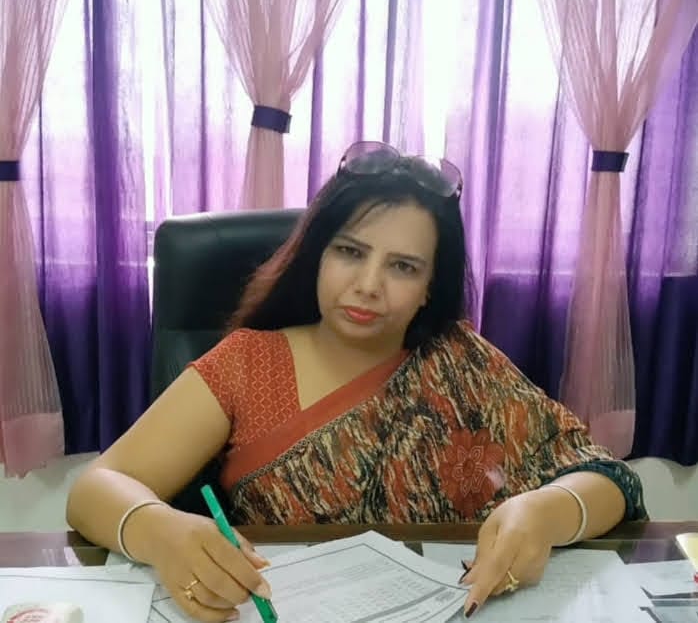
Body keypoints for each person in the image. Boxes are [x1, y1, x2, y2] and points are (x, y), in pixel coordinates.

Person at [67, 141, 646, 622]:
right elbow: (96, 488)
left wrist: (544, 511)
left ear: (429, 287)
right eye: (350, 251)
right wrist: (163, 533)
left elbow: (608, 478)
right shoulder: (249, 364)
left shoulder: (461, 361)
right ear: (317, 255)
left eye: (403, 266)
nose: (369, 285)